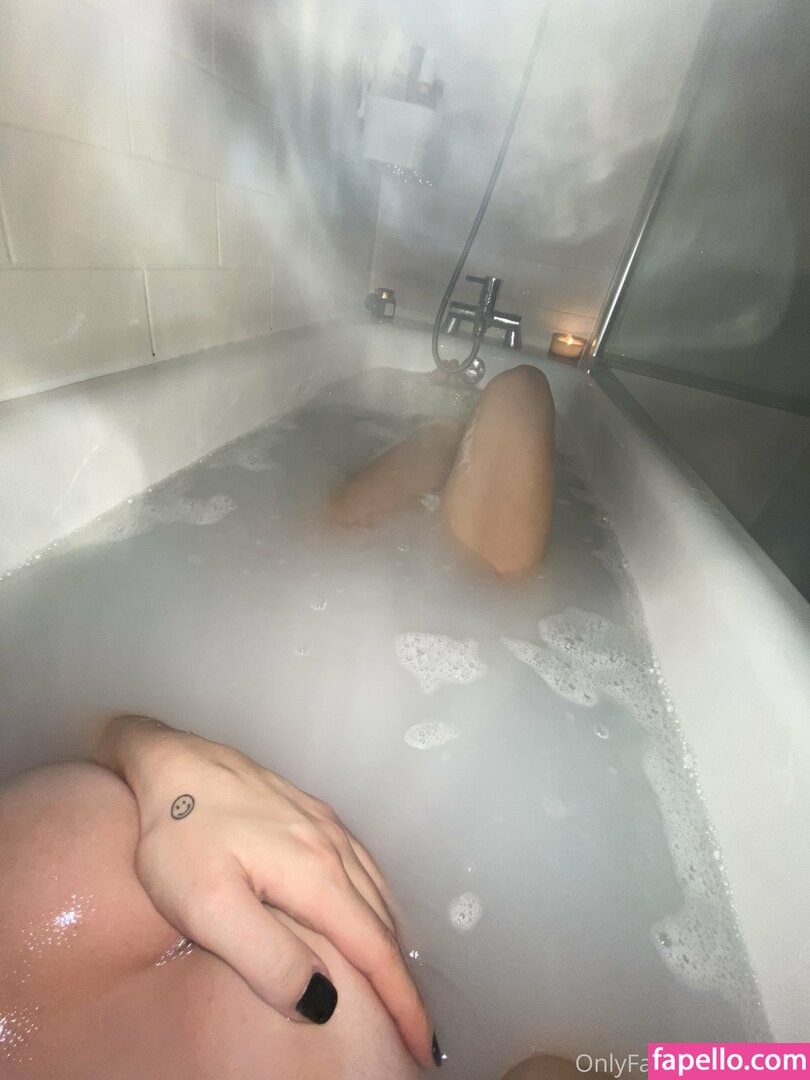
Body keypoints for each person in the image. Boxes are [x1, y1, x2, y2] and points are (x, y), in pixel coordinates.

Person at [330, 364, 556, 579]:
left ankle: (448, 427)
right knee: (519, 387)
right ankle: (451, 427)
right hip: (480, 589)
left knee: (340, 525)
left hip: (350, 574)